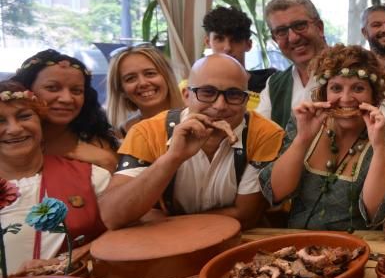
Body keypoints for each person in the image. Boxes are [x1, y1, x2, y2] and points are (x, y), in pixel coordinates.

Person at [99, 54, 283, 230]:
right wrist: (172, 158)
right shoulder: (146, 132)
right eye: (207, 92)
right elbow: (112, 216)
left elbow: (246, 216)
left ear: (246, 99)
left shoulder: (265, 134)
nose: (220, 106)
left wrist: (168, 222)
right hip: (168, 245)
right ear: (186, 95)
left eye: (234, 94)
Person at [259, 45, 385, 231]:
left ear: (375, 97)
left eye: (358, 88)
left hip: (359, 249)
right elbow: (276, 192)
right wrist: (303, 139)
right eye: (336, 88)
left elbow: (377, 213)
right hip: (298, 247)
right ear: (324, 93)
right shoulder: (303, 124)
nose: (346, 98)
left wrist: (379, 148)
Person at [0, 81, 109, 273]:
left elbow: (131, 228)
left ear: (41, 121)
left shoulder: (91, 176)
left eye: (24, 116)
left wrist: (76, 255)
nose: (15, 129)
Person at [11, 50, 118, 173]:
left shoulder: (102, 145)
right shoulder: (7, 139)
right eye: (52, 88)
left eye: (76, 91)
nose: (66, 99)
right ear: (26, 90)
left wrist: (108, 161)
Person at [257, 0, 327, 131]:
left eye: (300, 26)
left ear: (319, 28)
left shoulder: (354, 70)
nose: (293, 38)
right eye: (281, 31)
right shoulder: (275, 85)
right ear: (275, 38)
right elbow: (258, 133)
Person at [201, 5, 276, 109]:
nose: (227, 47)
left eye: (236, 40)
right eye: (219, 39)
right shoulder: (194, 88)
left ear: (249, 45)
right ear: (207, 42)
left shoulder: (272, 83)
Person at [106, 44, 184, 138]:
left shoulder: (195, 118)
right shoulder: (119, 136)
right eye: (130, 78)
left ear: (167, 77)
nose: (143, 83)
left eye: (150, 73)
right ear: (121, 90)